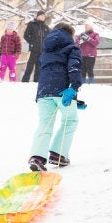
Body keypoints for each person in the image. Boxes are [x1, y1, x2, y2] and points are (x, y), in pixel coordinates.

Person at [28, 22, 83, 171]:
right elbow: (74, 69)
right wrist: (74, 88)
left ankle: (37, 157)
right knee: (70, 120)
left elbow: (48, 71)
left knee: (45, 124)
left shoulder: (46, 51)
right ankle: (58, 154)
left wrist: (75, 100)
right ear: (70, 34)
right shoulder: (72, 48)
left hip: (43, 92)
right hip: (63, 90)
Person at [22, 10, 51, 83]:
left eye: (44, 16)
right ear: (37, 16)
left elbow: (50, 37)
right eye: (41, 15)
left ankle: (36, 82)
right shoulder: (32, 24)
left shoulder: (45, 26)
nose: (43, 17)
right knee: (30, 65)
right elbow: (26, 35)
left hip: (42, 50)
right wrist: (32, 42)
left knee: (39, 67)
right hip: (34, 49)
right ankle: (25, 81)